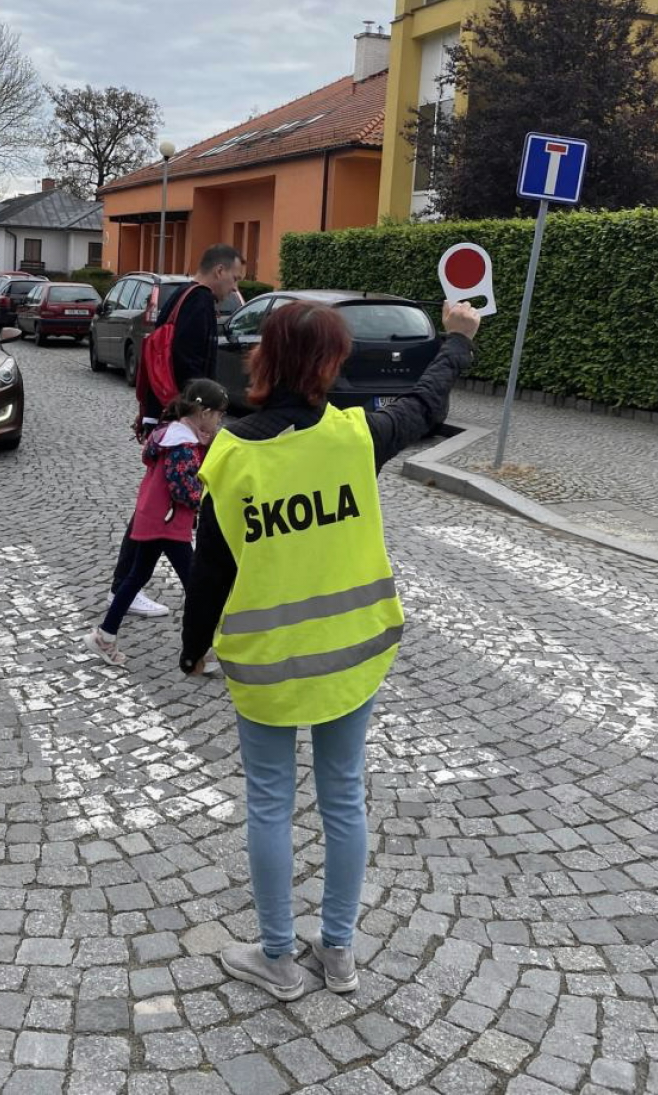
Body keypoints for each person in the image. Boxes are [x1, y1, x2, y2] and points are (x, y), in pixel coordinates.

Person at [179, 297, 481, 1001]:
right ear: (333, 362)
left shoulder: (233, 452)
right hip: (353, 652)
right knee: (344, 795)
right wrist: (457, 340)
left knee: (270, 803)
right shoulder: (357, 435)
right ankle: (339, 951)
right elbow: (425, 403)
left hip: (269, 664)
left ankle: (279, 958)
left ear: (263, 357)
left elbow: (211, 570)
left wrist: (194, 647)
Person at [107, 243, 244, 620]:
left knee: (154, 506)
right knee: (163, 505)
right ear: (218, 271)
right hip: (180, 417)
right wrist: (199, 420)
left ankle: (128, 586)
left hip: (169, 413)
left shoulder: (180, 295)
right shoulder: (198, 301)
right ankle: (130, 588)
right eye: (234, 278)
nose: (234, 288)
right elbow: (189, 366)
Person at [88, 378, 229, 667]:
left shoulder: (170, 435)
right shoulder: (183, 444)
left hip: (154, 519)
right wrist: (207, 498)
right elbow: (183, 488)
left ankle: (105, 635)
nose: (220, 420)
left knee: (137, 577)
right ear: (204, 413)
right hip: (168, 522)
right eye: (218, 414)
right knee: (196, 585)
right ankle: (204, 650)